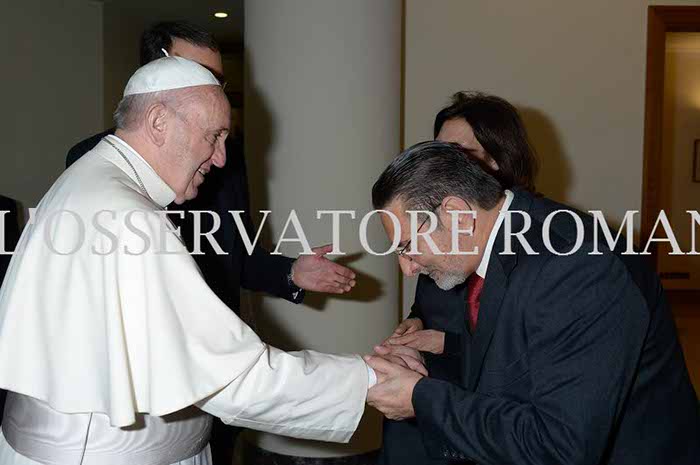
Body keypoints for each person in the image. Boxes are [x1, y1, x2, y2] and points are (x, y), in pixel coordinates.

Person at [0, 57, 387, 465]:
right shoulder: (131, 217)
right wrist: (368, 379)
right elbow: (234, 379)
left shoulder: (87, 178)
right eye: (213, 136)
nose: (220, 158)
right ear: (158, 122)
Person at [367, 141, 700, 465]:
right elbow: (515, 364)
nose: (408, 268)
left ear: (457, 215)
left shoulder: (576, 267)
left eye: (407, 246)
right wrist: (424, 368)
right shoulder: (498, 245)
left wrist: (421, 398)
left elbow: (561, 448)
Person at [378, 92, 540, 464]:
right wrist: (415, 324)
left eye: (458, 154)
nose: (443, 165)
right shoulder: (441, 236)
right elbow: (426, 302)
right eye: (438, 151)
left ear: (500, 159)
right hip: (441, 392)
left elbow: (549, 431)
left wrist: (445, 344)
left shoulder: (549, 257)